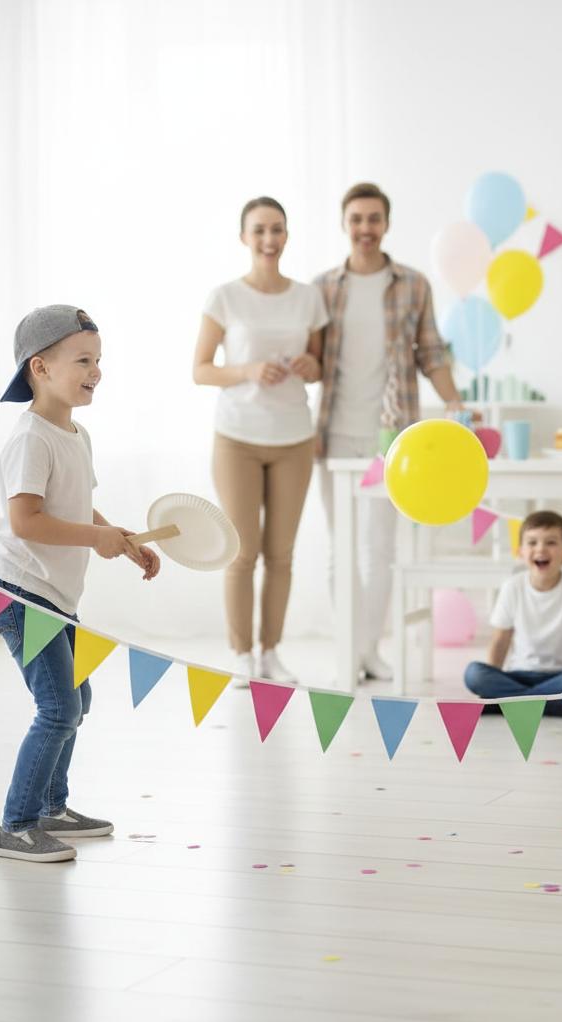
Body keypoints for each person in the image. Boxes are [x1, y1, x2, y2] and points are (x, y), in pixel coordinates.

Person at [0, 305, 160, 863]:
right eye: (83, 360)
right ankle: (16, 825)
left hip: (53, 596)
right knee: (58, 708)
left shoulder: (74, 434)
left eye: (99, 360)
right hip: (20, 593)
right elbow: (25, 522)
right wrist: (92, 539)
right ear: (40, 367)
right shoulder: (31, 438)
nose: (97, 371)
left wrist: (121, 538)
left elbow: (78, 505)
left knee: (77, 698)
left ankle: (53, 809)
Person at [314, 182, 466, 682]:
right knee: (340, 547)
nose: (365, 228)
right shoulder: (323, 288)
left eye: (373, 218)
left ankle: (366, 651)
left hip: (393, 436)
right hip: (334, 431)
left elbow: (432, 353)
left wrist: (454, 402)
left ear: (386, 224)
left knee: (378, 547)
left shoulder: (414, 284)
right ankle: (347, 649)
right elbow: (312, 358)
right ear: (344, 224)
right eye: (356, 218)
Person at [193, 197, 328, 685]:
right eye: (259, 231)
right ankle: (241, 654)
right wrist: (248, 369)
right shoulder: (225, 296)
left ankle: (271, 653)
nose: (269, 240)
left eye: (277, 230)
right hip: (238, 439)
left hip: (294, 438)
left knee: (281, 554)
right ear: (244, 237)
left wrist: (313, 367)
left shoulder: (309, 297)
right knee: (241, 551)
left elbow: (319, 364)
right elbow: (200, 370)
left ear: (287, 235)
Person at [464, 510, 562, 715]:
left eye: (551, 542)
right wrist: (492, 678)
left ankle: (506, 704)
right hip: (519, 674)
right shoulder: (512, 586)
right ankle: (548, 705)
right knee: (474, 673)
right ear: (520, 552)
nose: (541, 549)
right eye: (532, 542)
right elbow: (500, 640)